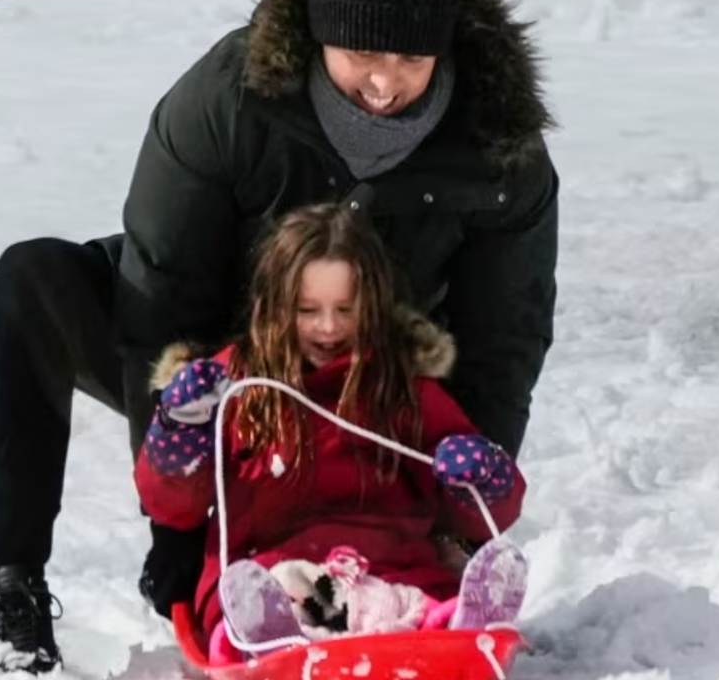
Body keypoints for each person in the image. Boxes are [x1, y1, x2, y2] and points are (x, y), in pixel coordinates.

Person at [0, 0, 557, 674]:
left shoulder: (499, 142)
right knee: (30, 279)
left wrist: (468, 511)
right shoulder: (227, 99)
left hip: (379, 371)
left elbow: (505, 335)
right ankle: (16, 583)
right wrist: (176, 530)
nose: (384, 83)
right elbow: (163, 297)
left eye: (412, 58)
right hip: (217, 346)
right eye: (360, 55)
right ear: (317, 39)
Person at [135, 204, 528, 663]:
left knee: (408, 607)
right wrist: (179, 434)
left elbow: (484, 517)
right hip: (270, 571)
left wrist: (482, 480)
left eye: (345, 309)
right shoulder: (236, 386)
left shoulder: (402, 388)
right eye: (307, 310)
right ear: (273, 307)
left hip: (391, 570)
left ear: (374, 305)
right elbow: (171, 506)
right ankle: (266, 643)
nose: (328, 326)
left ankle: (459, 629)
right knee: (265, 600)